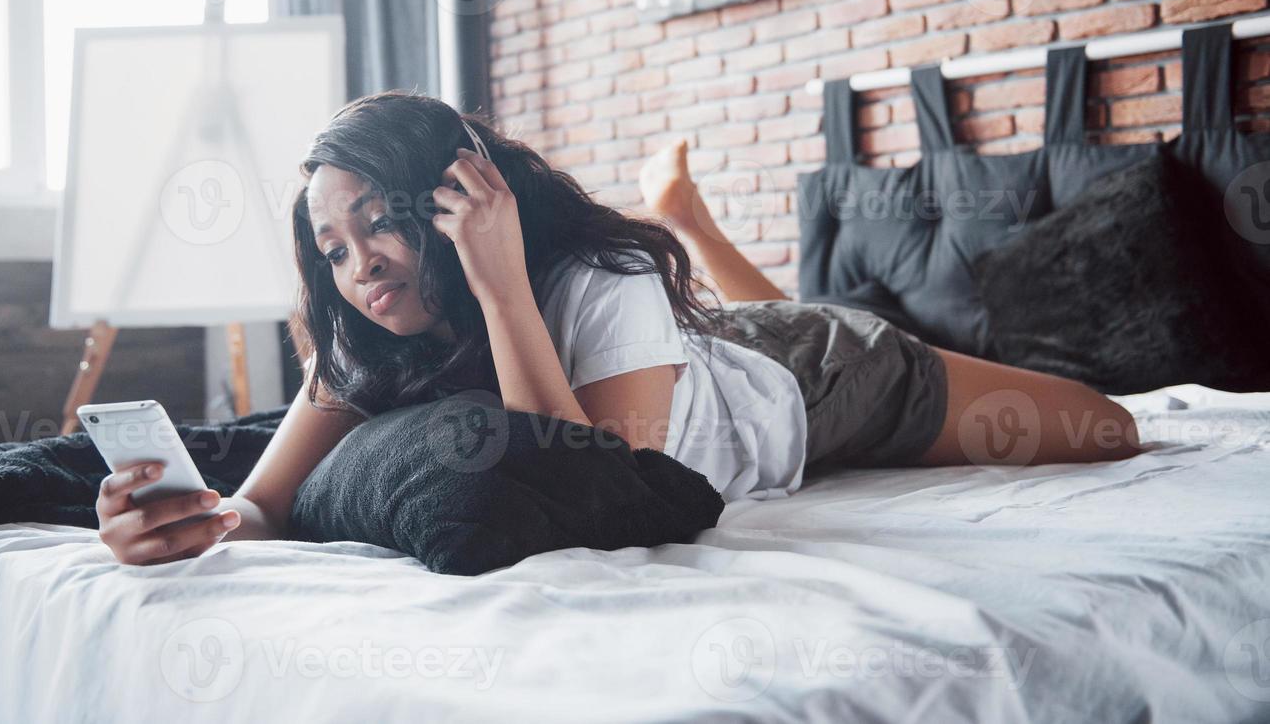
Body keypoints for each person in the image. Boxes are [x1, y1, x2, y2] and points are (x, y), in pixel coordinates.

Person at [97, 93, 1141, 565]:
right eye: (330, 246)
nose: (357, 263)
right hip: (699, 348)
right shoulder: (366, 327)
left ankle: (688, 224)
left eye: (377, 221)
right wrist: (183, 524)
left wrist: (502, 285)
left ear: (455, 195)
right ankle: (695, 220)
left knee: (1108, 427)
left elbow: (594, 486)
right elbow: (258, 507)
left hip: (814, 376)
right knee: (737, 320)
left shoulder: (600, 277)